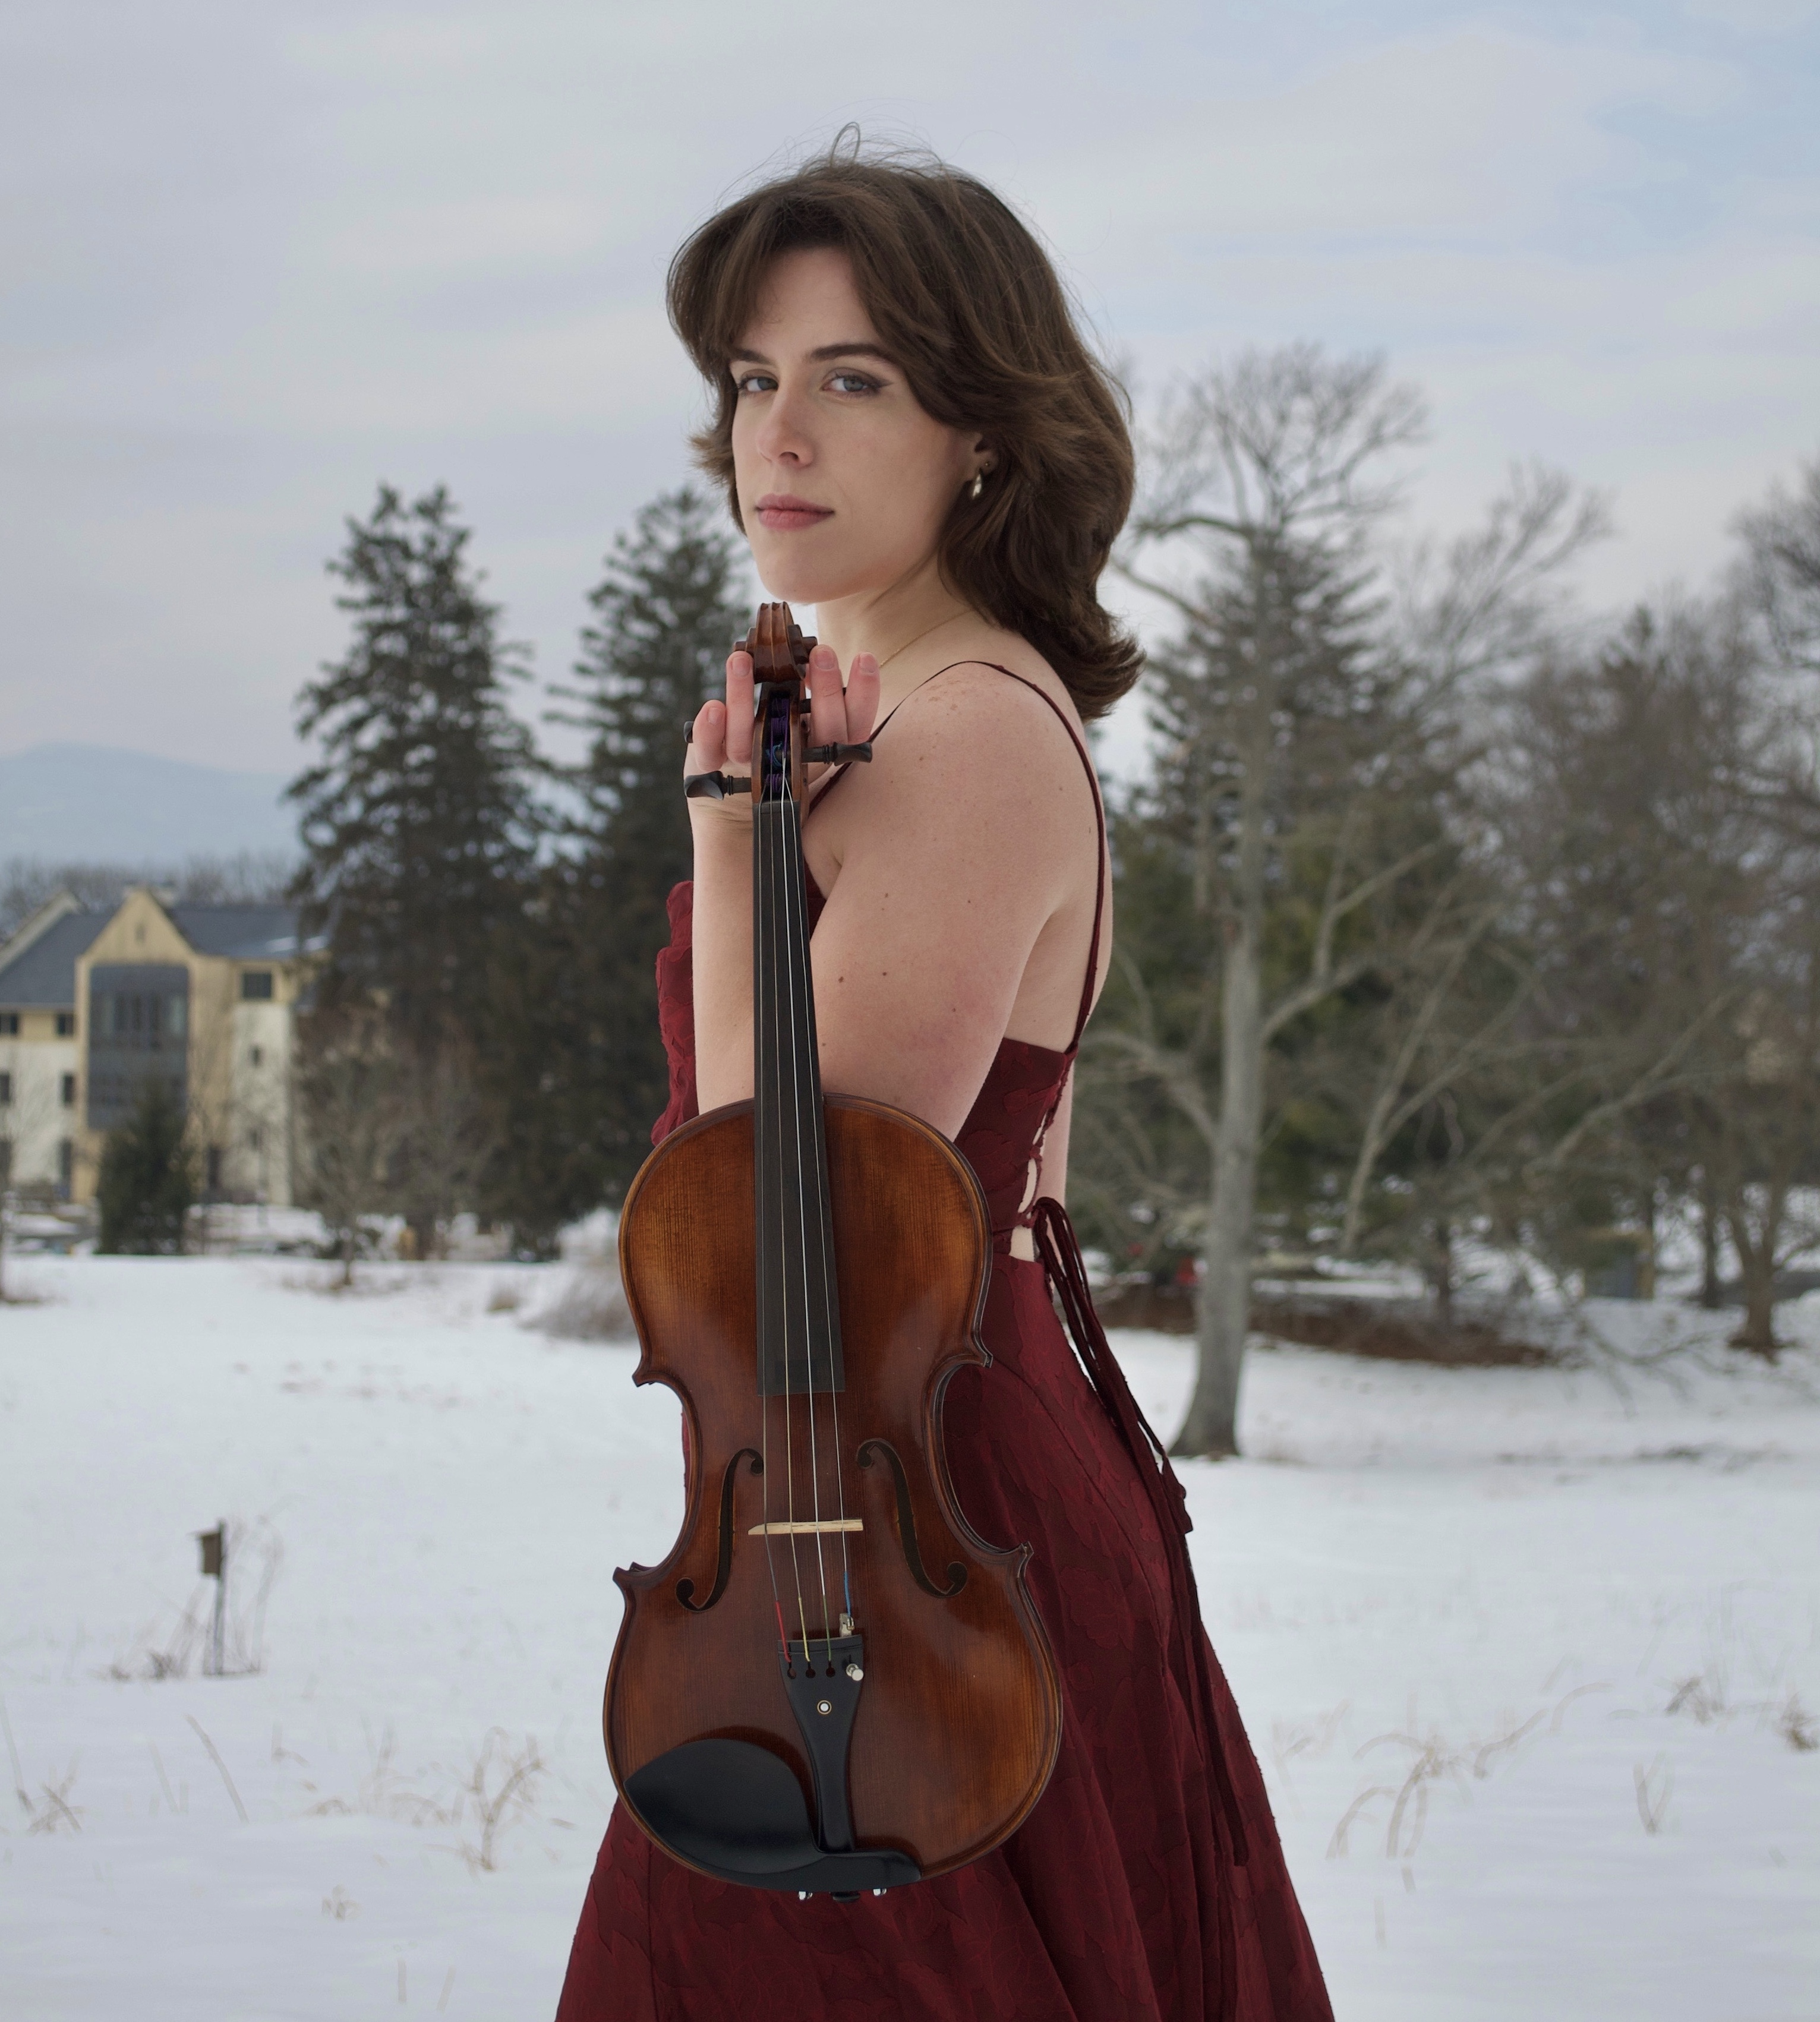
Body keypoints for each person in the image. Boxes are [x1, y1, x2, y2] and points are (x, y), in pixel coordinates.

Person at [556, 144, 1332, 2022]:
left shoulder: (969, 734)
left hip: (904, 1557)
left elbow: (772, 1204)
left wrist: (734, 848)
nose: (782, 435)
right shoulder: (892, 712)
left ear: (981, 430)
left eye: (857, 379)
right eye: (755, 379)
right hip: (866, 1515)